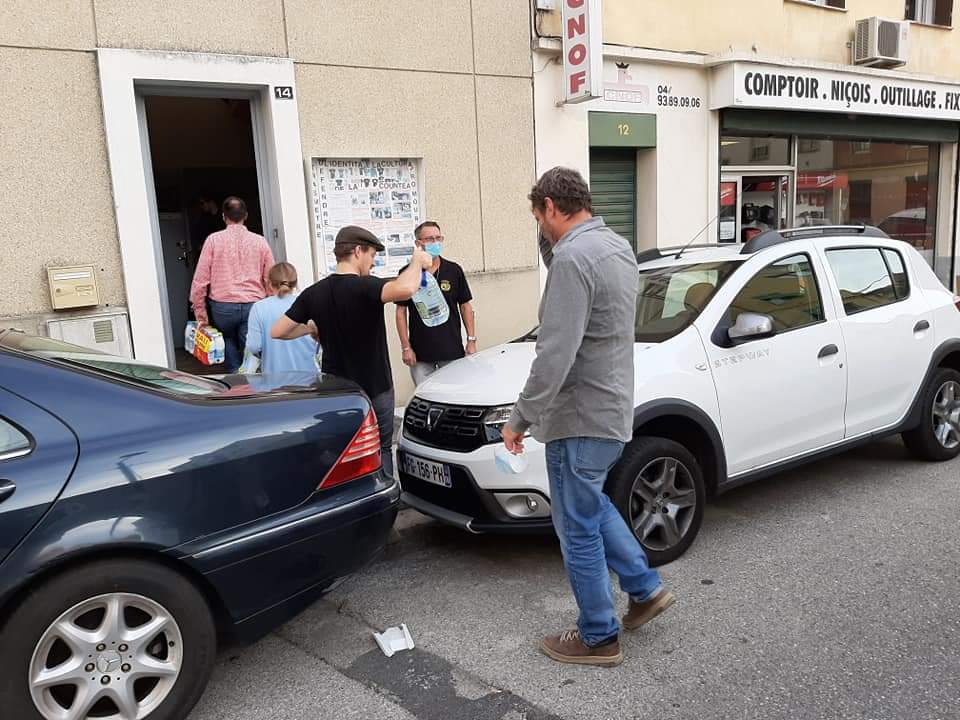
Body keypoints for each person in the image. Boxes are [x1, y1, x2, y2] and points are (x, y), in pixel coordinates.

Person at [501, 167, 674, 667]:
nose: (540, 227)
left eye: (539, 216)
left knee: (576, 529)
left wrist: (519, 419)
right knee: (592, 506)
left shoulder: (573, 259)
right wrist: (549, 238)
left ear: (550, 207)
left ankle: (598, 636)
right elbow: (564, 266)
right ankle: (644, 588)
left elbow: (554, 352)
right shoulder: (616, 247)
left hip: (578, 417)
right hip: (612, 409)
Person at [271, 226, 432, 478]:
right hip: (376, 387)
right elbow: (406, 289)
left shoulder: (314, 293)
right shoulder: (366, 286)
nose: (373, 262)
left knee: (344, 452)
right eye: (372, 255)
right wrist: (417, 262)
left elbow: (278, 331)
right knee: (381, 448)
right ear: (358, 251)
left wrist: (310, 328)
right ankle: (384, 493)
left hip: (337, 392)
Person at [189, 196, 275, 373]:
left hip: (223, 307)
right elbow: (270, 278)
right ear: (246, 215)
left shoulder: (213, 240)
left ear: (223, 216)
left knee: (226, 338)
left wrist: (200, 314)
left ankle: (235, 375)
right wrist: (271, 306)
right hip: (253, 304)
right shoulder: (260, 241)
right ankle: (251, 377)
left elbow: (200, 280)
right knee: (250, 344)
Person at [396, 221, 477, 385]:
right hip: (420, 355)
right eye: (430, 239)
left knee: (454, 395)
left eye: (438, 238)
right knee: (425, 395)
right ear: (418, 243)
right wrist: (406, 348)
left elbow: (465, 306)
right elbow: (400, 312)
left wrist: (471, 340)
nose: (435, 242)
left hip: (451, 350)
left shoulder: (453, 270)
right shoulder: (407, 273)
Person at [243, 262, 319, 375]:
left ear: (269, 284)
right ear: (295, 283)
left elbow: (254, 346)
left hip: (274, 378)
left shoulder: (259, 308)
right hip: (309, 376)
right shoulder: (309, 304)